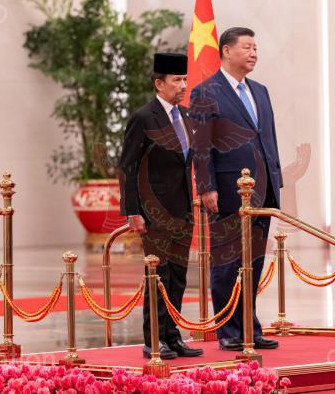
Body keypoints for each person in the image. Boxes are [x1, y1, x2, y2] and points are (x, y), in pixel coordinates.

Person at [190, 27, 282, 351]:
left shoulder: (260, 91)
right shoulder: (206, 92)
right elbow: (201, 145)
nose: (254, 53)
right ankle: (228, 331)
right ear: (227, 51)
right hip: (227, 192)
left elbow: (268, 138)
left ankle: (249, 329)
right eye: (247, 47)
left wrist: (275, 180)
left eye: (256, 47)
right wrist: (207, 187)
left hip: (263, 190)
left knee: (253, 263)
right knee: (227, 264)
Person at [119, 53, 203, 359]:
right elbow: (127, 167)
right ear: (159, 83)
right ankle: (153, 340)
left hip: (183, 212)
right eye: (176, 80)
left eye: (185, 80)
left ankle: (173, 336)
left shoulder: (187, 117)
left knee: (178, 277)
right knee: (159, 276)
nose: (183, 85)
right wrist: (132, 211)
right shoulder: (144, 117)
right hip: (153, 212)